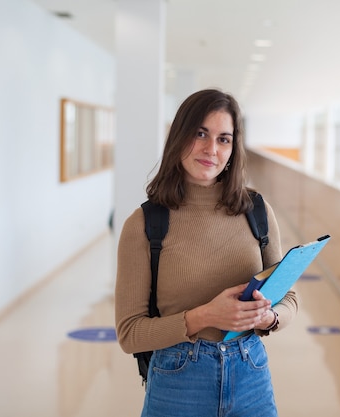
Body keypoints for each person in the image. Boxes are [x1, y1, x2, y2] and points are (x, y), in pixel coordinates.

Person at [115, 88, 298, 417]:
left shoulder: (256, 210)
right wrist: (206, 316)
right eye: (201, 133)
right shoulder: (145, 223)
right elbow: (130, 334)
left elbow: (289, 300)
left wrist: (268, 317)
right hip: (178, 380)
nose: (211, 149)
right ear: (179, 136)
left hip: (251, 375)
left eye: (223, 139)